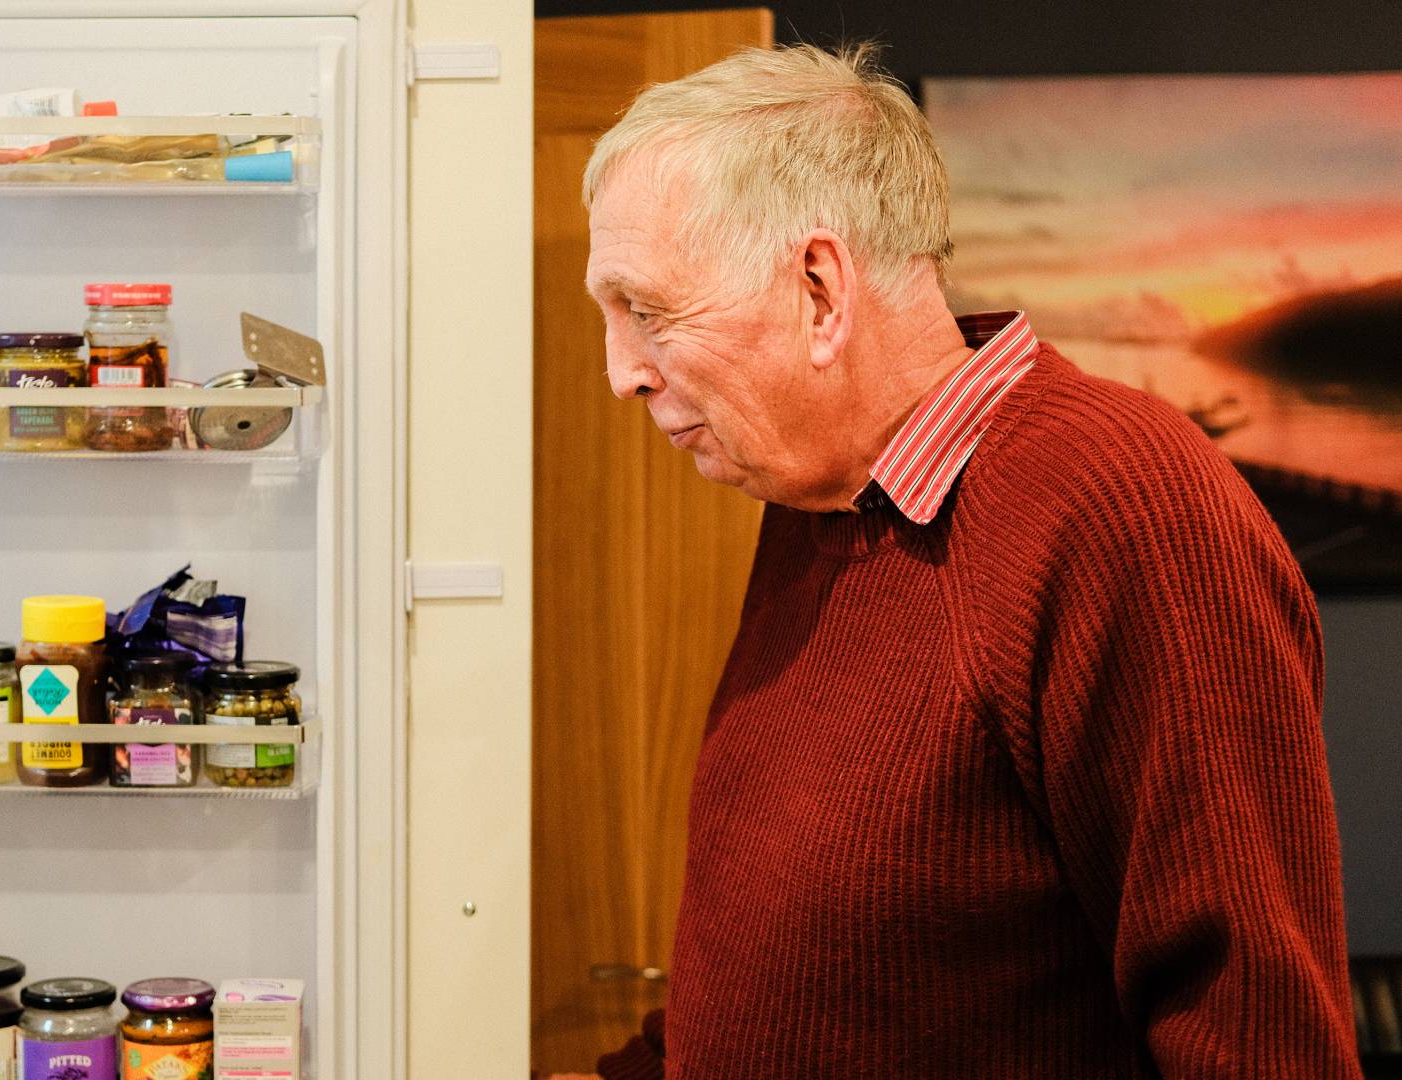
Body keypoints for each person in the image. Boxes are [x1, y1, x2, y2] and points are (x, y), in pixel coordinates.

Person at [555, 42, 1361, 1079]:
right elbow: (794, 977)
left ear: (819, 289)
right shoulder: (821, 503)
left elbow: (1258, 1040)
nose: (622, 372)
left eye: (650, 311)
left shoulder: (1122, 507)